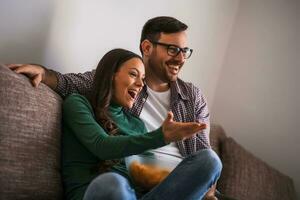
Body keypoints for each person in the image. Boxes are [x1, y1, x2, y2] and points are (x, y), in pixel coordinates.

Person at [8, 16, 226, 199]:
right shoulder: (83, 100)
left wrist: (204, 190)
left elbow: (201, 153)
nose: (180, 58)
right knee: (111, 183)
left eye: (184, 51)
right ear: (147, 47)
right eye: (172, 49)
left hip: (167, 188)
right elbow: (71, 83)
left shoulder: (190, 97)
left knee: (210, 160)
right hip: (116, 189)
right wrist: (45, 74)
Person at [62, 48, 212, 200]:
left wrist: (190, 184)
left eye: (143, 78)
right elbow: (102, 145)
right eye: (133, 74)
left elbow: (145, 175)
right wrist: (161, 136)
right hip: (96, 193)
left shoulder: (136, 124)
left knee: (208, 160)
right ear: (111, 75)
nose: (141, 84)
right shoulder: (78, 104)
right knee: (112, 183)